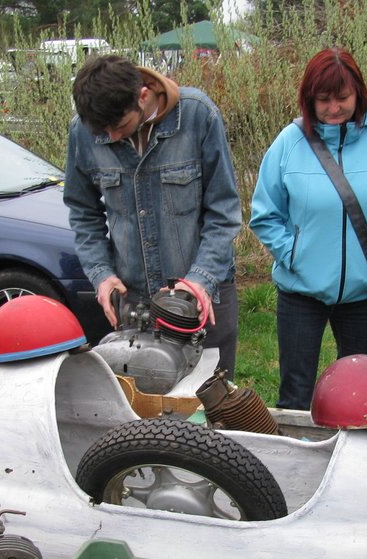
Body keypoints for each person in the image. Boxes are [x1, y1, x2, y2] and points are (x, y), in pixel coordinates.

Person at [249, 47, 367, 410]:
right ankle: (296, 462)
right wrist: (293, 255)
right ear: (309, 99)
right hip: (300, 293)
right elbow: (264, 214)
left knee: (361, 397)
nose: (334, 108)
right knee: (295, 392)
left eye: (342, 97)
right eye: (323, 100)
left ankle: (355, 462)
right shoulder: (287, 145)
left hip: (363, 292)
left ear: (359, 93)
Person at [64, 54, 242, 377]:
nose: (112, 138)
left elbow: (225, 212)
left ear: (143, 96)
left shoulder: (197, 116)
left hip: (205, 299)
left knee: (209, 408)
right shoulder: (83, 132)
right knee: (143, 415)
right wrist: (101, 275)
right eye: (102, 132)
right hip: (133, 304)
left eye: (119, 127)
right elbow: (83, 213)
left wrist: (199, 280)